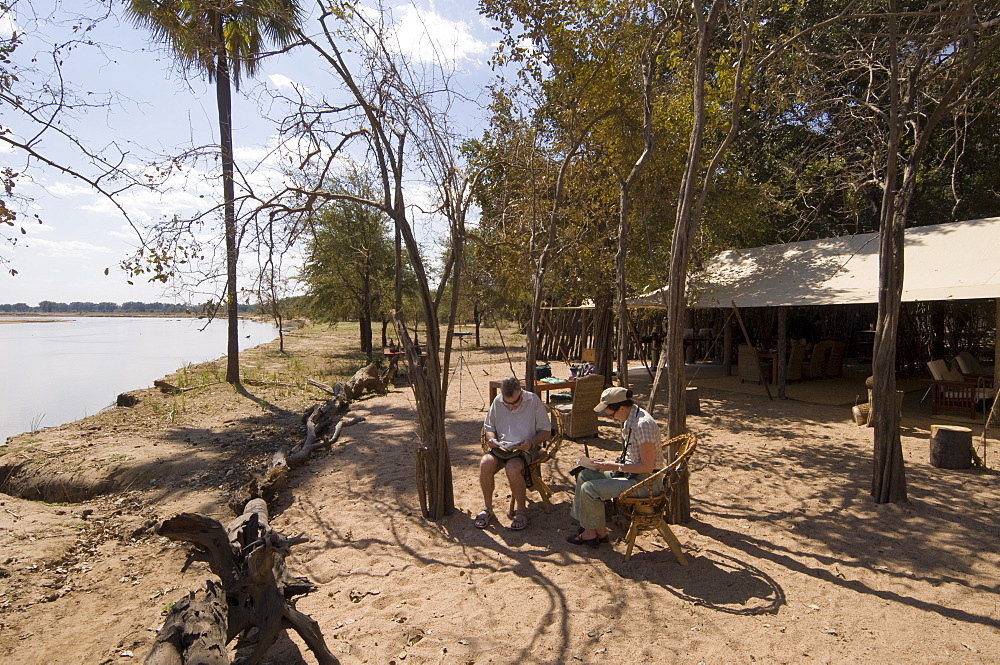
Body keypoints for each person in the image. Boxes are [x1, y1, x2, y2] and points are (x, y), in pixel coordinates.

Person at [567, 386, 662, 548]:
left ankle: (590, 534)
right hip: (631, 474)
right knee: (585, 475)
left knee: (590, 489)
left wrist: (615, 465)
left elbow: (647, 467)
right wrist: (606, 466)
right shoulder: (630, 419)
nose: (612, 418)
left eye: (611, 415)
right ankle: (598, 530)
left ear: (622, 407)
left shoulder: (642, 425)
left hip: (646, 483)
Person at [475, 377, 551, 531]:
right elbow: (489, 427)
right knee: (485, 463)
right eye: (507, 403)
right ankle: (487, 508)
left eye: (515, 402)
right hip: (502, 446)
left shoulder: (533, 400)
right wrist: (491, 439)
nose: (511, 406)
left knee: (513, 467)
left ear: (521, 393)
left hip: (526, 447)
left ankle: (521, 511)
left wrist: (531, 442)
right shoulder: (498, 401)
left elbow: (546, 431)